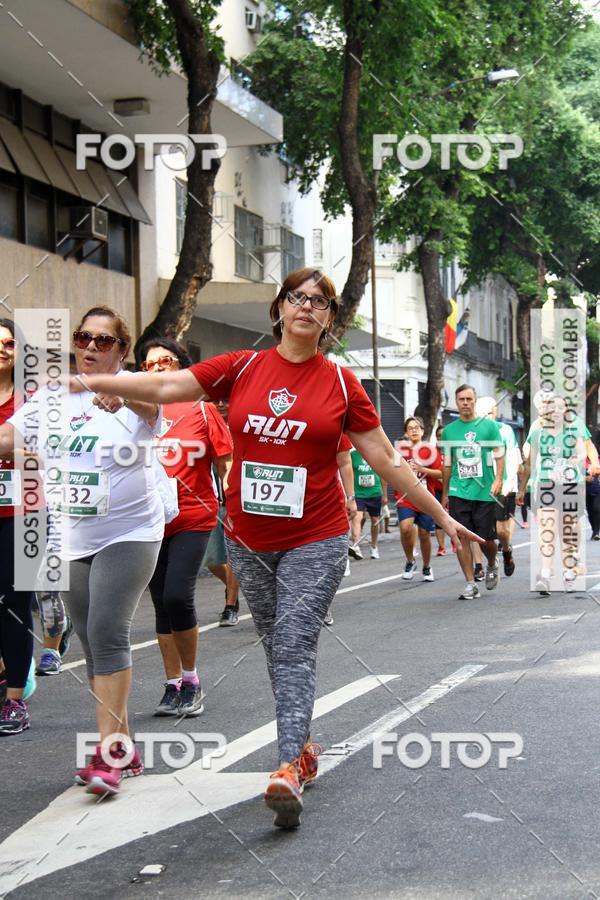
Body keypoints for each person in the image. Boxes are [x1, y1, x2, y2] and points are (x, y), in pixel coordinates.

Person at [69, 267, 481, 829]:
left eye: (319, 301)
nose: (306, 306)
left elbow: (386, 458)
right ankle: (303, 746)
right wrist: (101, 381)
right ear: (280, 308)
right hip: (249, 538)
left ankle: (288, 766)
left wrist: (443, 516)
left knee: (292, 643)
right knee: (276, 646)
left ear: (329, 318)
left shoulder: (341, 384)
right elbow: (167, 387)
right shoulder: (241, 367)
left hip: (318, 535)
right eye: (296, 297)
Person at [1, 306, 164, 791]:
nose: (91, 347)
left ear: (122, 349)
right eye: (83, 338)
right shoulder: (56, 395)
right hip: (74, 535)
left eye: (104, 340)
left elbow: (154, 411)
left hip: (130, 532)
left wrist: (123, 395)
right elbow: (9, 436)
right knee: (93, 643)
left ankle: (108, 754)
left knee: (108, 630)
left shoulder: (135, 386)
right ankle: (124, 747)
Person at [139, 338, 232, 716]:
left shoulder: (202, 410)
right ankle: (172, 682)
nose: (158, 368)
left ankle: (192, 679)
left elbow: (226, 464)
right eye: (150, 364)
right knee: (161, 602)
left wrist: (235, 504)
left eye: (166, 361)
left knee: (178, 596)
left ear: (181, 365)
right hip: (147, 521)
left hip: (194, 517)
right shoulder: (134, 410)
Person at [517, 392, 598, 592]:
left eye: (561, 408)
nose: (556, 411)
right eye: (552, 407)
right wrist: (523, 488)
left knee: (567, 528)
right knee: (548, 527)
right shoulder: (537, 430)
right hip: (546, 484)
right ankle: (545, 574)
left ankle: (569, 569)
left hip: (570, 485)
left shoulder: (574, 427)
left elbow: (583, 450)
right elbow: (530, 462)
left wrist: (579, 460)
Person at [0, 318, 37, 735]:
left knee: (14, 604)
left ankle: (14, 699)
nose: (2, 349)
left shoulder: (34, 399)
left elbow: (54, 451)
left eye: (10, 343)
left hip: (26, 514)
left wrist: (20, 452)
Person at [441, 384, 504, 600]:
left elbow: (499, 454)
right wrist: (445, 493)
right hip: (458, 490)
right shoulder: (449, 431)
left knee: (485, 540)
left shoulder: (488, 426)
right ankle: (470, 583)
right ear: (456, 402)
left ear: (474, 401)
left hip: (484, 491)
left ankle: (492, 562)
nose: (466, 403)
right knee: (461, 537)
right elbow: (447, 463)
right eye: (462, 399)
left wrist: (498, 479)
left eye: (469, 399)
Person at [474, 397, 521, 577]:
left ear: (495, 413)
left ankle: (507, 550)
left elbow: (512, 457)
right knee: (480, 531)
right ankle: (483, 564)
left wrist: (508, 482)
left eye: (490, 413)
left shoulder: (505, 430)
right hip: (480, 487)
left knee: (501, 531)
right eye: (483, 414)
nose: (487, 417)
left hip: (502, 486)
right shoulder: (473, 432)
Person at [396, 416, 442, 582]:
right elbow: (392, 470)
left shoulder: (430, 451)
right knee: (405, 528)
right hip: (406, 496)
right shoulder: (400, 451)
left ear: (422, 431)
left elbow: (441, 473)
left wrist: (423, 469)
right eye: (410, 428)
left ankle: (427, 567)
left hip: (425, 496)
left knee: (424, 533)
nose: (414, 430)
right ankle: (410, 561)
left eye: (417, 428)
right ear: (406, 433)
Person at [349, 446, 386, 560]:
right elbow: (348, 474)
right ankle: (356, 546)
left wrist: (385, 495)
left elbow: (383, 475)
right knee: (357, 517)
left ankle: (374, 546)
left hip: (374, 492)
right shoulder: (352, 455)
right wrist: (350, 494)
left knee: (375, 520)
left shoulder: (375, 454)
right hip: (358, 493)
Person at [434, 425, 447, 556]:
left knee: (455, 517)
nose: (440, 438)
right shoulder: (431, 452)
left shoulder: (453, 450)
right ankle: (441, 546)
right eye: (438, 436)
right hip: (437, 490)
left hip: (453, 490)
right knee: (439, 518)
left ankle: (455, 541)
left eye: (443, 436)